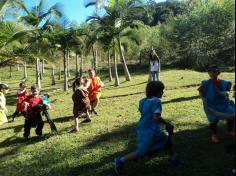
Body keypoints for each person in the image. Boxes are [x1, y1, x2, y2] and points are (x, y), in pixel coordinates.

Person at [115, 81, 180, 176]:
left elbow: (143, 113)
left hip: (147, 127)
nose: (163, 92)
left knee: (166, 141)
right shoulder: (157, 101)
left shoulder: (143, 101)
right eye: (162, 90)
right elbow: (156, 117)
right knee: (142, 151)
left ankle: (172, 157)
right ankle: (120, 160)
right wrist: (167, 123)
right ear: (157, 91)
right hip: (148, 130)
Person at [198, 65, 235, 144]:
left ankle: (230, 131)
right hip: (212, 105)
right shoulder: (205, 83)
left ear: (218, 73)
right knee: (213, 119)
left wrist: (224, 92)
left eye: (214, 72)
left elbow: (228, 91)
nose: (212, 73)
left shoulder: (225, 83)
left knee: (231, 114)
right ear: (208, 73)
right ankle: (214, 134)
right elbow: (200, 91)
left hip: (223, 104)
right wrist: (203, 99)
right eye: (210, 72)